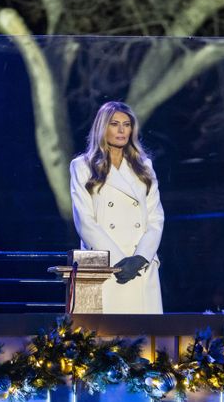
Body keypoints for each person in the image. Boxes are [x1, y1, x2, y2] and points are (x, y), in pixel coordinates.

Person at [69, 101, 164, 313]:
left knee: (144, 340)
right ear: (103, 127)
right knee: (96, 341)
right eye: (114, 124)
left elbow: (156, 218)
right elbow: (85, 221)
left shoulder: (144, 167)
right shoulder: (82, 167)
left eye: (127, 124)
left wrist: (140, 258)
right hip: (101, 266)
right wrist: (119, 261)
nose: (122, 130)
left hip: (140, 267)